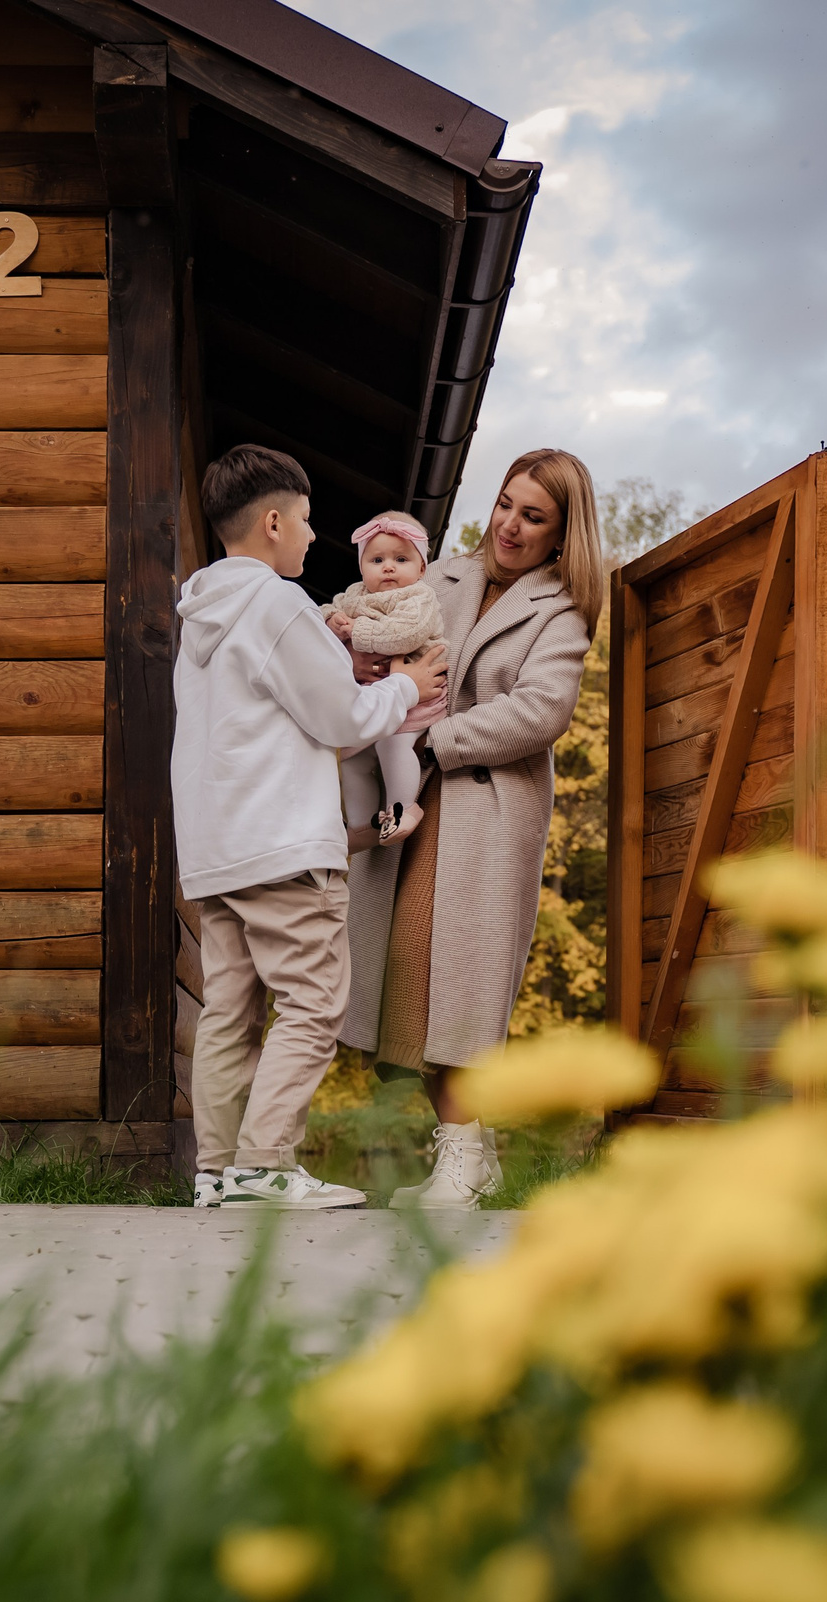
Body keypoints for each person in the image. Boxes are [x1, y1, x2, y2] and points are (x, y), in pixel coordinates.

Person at [172, 445, 449, 1210]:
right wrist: (406, 686)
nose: (310, 533)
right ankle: (264, 1165)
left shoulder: (200, 615)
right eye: (304, 518)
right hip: (283, 844)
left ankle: (216, 1172)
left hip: (217, 850)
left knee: (229, 1012)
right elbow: (342, 718)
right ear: (272, 522)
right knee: (312, 1003)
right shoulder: (278, 603)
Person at [341, 448, 611, 1208]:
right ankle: (471, 1152)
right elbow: (373, 616)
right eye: (505, 505)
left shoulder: (561, 609)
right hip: (409, 798)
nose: (510, 526)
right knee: (411, 978)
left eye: (534, 516)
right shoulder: (442, 576)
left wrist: (437, 740)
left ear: (562, 532)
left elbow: (542, 710)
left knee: (453, 985)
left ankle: (463, 1158)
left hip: (482, 814)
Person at [324, 511, 446, 845]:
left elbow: (406, 635)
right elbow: (325, 610)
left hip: (418, 691)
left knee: (393, 743)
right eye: (377, 560)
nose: (388, 567)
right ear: (362, 567)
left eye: (401, 559)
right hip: (371, 693)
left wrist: (357, 631)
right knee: (352, 758)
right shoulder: (354, 595)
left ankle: (402, 807)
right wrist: (330, 620)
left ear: (422, 569)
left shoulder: (418, 597)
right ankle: (361, 824)